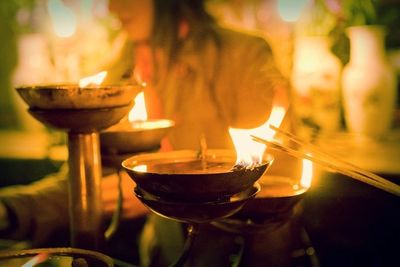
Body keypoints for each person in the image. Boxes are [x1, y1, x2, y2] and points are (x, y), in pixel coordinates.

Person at [0, 0, 289, 265]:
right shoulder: (122, 71)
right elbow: (82, 185)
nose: (112, 8)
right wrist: (10, 210)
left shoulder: (241, 55)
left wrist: (162, 188)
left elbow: (276, 178)